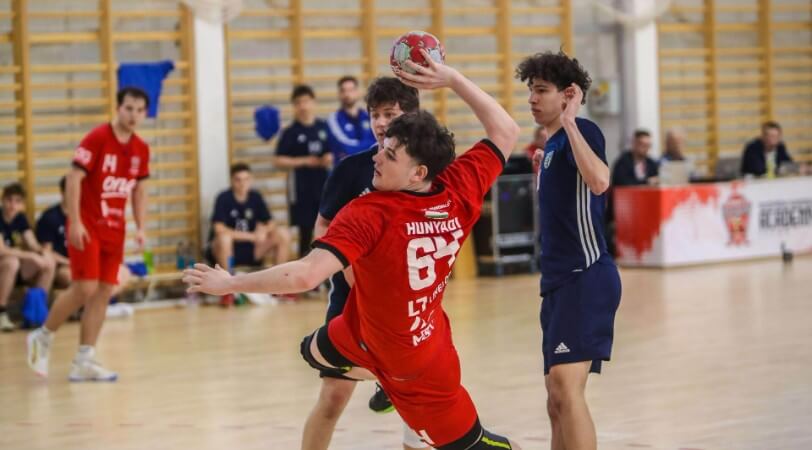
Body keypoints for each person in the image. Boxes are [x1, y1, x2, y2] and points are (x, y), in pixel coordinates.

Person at [184, 52, 523, 450]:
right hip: (385, 323)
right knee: (314, 354)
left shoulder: (370, 213)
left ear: (418, 171)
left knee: (460, 441)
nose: (377, 154)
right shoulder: (457, 186)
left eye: (389, 153)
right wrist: (452, 79)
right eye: (377, 124)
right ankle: (381, 380)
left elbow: (305, 274)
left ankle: (398, 391)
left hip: (408, 360)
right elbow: (506, 130)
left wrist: (230, 283)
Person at [304, 76, 425, 450]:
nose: (380, 122)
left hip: (408, 300)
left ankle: (387, 379)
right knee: (333, 394)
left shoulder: (428, 171)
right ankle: (382, 376)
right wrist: (351, 270)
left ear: (411, 116)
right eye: (375, 114)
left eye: (390, 113)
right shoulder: (351, 170)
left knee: (417, 401)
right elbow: (322, 227)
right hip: (351, 297)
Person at [516, 50, 622, 450]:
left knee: (565, 387)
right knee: (555, 398)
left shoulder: (584, 131)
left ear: (568, 94)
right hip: (557, 283)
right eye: (531, 90)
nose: (532, 98)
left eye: (542, 90)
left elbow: (600, 181)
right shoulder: (553, 147)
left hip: (586, 275)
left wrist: (572, 120)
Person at [27, 86, 151, 382]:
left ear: (145, 114)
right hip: (88, 226)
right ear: (118, 108)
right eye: (128, 108)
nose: (133, 115)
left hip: (115, 230)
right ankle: (42, 336)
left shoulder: (141, 149)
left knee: (105, 290)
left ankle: (85, 358)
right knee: (84, 287)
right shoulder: (97, 138)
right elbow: (74, 178)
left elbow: (140, 191)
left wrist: (141, 226)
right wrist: (75, 221)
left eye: (139, 110)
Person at [36, 176, 132, 295]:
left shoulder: (90, 214)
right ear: (63, 192)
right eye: (73, 191)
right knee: (78, 279)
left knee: (123, 272)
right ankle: (95, 302)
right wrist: (71, 263)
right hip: (65, 265)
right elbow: (47, 252)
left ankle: (101, 301)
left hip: (89, 263)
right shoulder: (50, 217)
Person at [272, 85, 335, 258]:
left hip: (325, 186)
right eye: (298, 102)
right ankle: (304, 267)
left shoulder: (324, 127)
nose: (303, 106)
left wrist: (329, 157)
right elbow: (278, 160)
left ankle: (327, 268)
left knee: (327, 227)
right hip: (301, 188)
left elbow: (337, 152)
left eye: (306, 101)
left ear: (313, 102)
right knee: (305, 230)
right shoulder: (291, 132)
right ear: (294, 106)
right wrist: (304, 161)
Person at [208, 163, 291, 271]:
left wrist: (263, 230)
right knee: (224, 238)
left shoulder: (256, 197)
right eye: (238, 180)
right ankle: (227, 278)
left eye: (246, 179)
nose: (242, 184)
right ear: (232, 180)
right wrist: (251, 236)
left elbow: (271, 223)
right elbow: (219, 229)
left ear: (251, 180)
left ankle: (278, 276)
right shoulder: (223, 198)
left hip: (252, 249)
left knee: (283, 233)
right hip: (229, 249)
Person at [0, 183, 56, 332]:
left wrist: (42, 251)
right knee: (11, 262)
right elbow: (2, 250)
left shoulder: (20, 219)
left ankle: (37, 312)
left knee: (48, 262)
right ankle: (2, 313)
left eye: (17, 201)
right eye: (9, 200)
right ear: (3, 200)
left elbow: (32, 243)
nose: (13, 205)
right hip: (5, 264)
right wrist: (30, 255)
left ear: (22, 205)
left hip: (15, 267)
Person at [327, 75, 376, 162]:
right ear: (339, 94)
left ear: (357, 92)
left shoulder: (369, 116)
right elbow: (344, 146)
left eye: (350, 90)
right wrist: (369, 148)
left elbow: (378, 142)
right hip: (346, 167)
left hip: (370, 166)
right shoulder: (333, 119)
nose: (347, 94)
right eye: (343, 90)